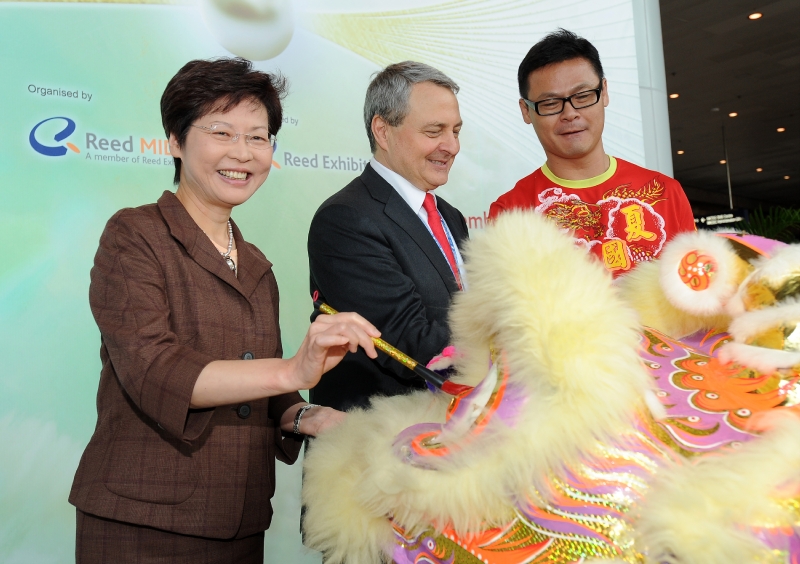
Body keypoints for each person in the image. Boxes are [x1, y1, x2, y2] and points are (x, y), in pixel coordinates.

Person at [69, 57, 379, 563]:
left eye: (258, 138)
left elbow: (264, 386)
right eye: (221, 132)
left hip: (240, 523)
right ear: (174, 140)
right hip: (144, 523)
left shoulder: (256, 262)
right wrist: (294, 369)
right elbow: (156, 370)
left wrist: (306, 414)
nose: (243, 153)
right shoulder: (135, 235)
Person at [307, 61, 468, 412]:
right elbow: (412, 343)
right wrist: (525, 335)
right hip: (376, 451)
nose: (451, 146)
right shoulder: (346, 219)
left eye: (456, 131)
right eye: (434, 131)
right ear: (382, 130)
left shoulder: (450, 217)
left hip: (453, 438)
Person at [489, 29, 695, 276]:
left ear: (604, 92)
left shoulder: (666, 193)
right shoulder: (510, 212)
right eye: (551, 103)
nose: (570, 113)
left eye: (583, 96)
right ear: (526, 110)